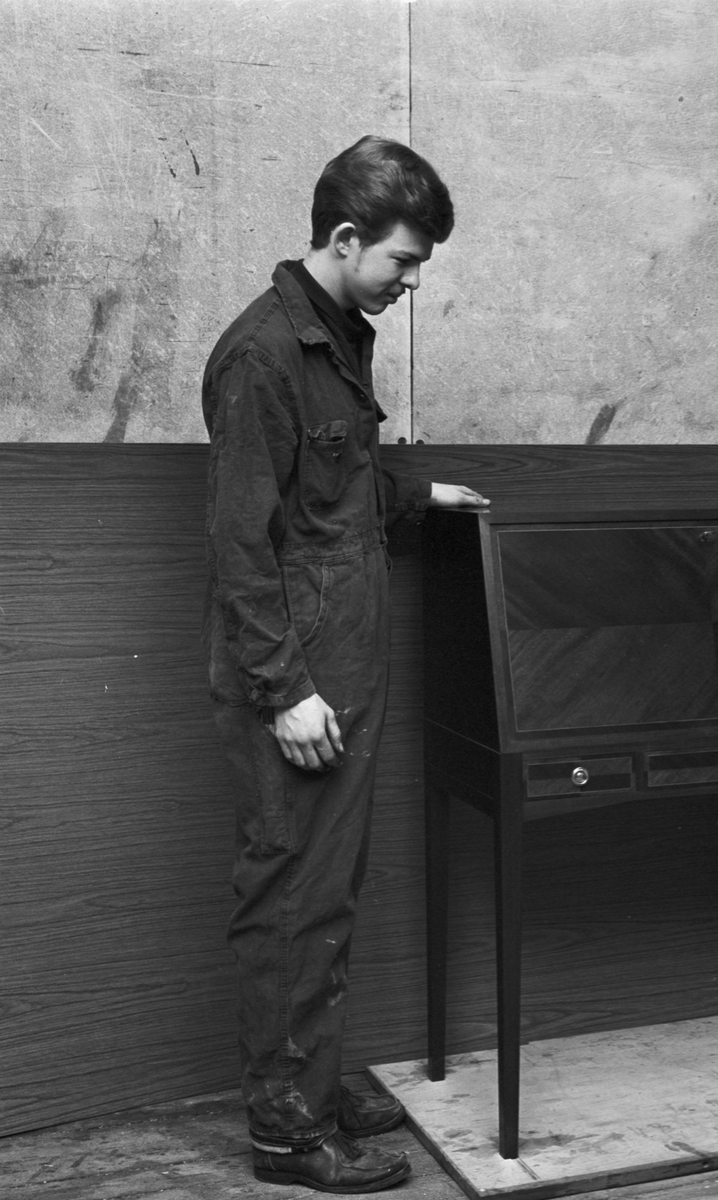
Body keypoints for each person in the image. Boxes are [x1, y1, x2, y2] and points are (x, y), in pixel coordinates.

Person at [201, 135, 488, 1193]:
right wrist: (286, 692)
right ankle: (286, 1131)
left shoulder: (333, 338)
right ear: (344, 237)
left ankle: (311, 1083)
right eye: (404, 261)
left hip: (341, 657)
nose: (412, 282)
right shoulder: (263, 356)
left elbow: (330, 488)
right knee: (292, 893)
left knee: (326, 888)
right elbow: (241, 545)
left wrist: (420, 497)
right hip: (299, 674)